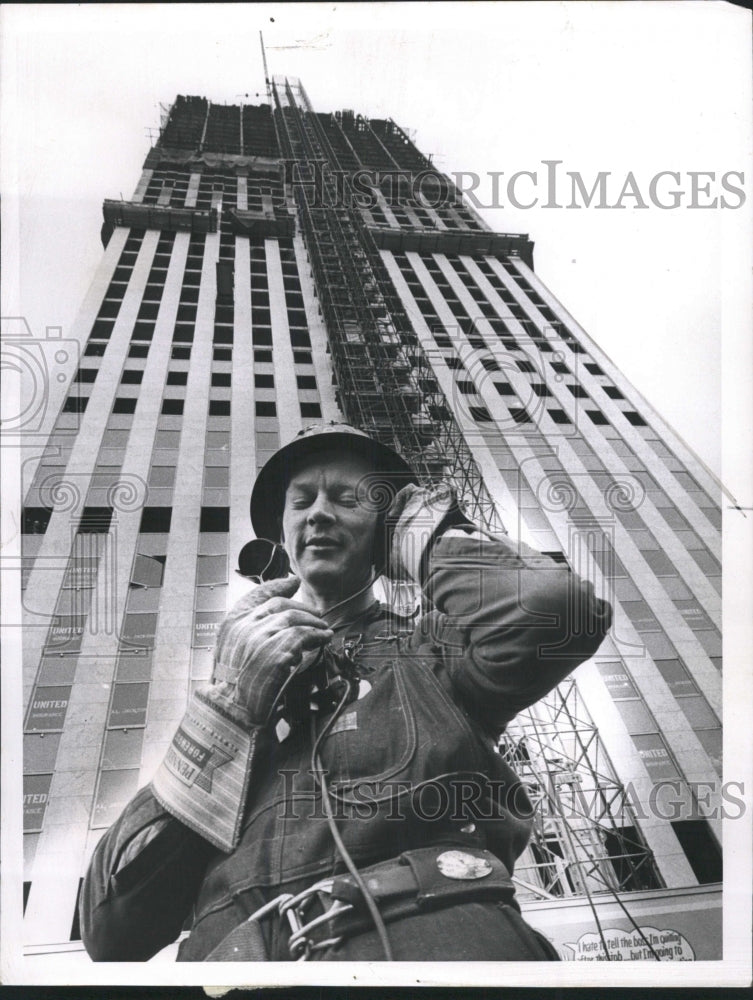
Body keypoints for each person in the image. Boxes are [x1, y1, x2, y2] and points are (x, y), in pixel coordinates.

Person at [80, 423, 612, 962]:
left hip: (438, 952)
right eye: (302, 501)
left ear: (385, 530)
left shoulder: (433, 651)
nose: (318, 513)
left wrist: (421, 532)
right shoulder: (234, 697)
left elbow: (557, 609)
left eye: (347, 499)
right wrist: (229, 706)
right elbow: (110, 932)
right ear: (282, 538)